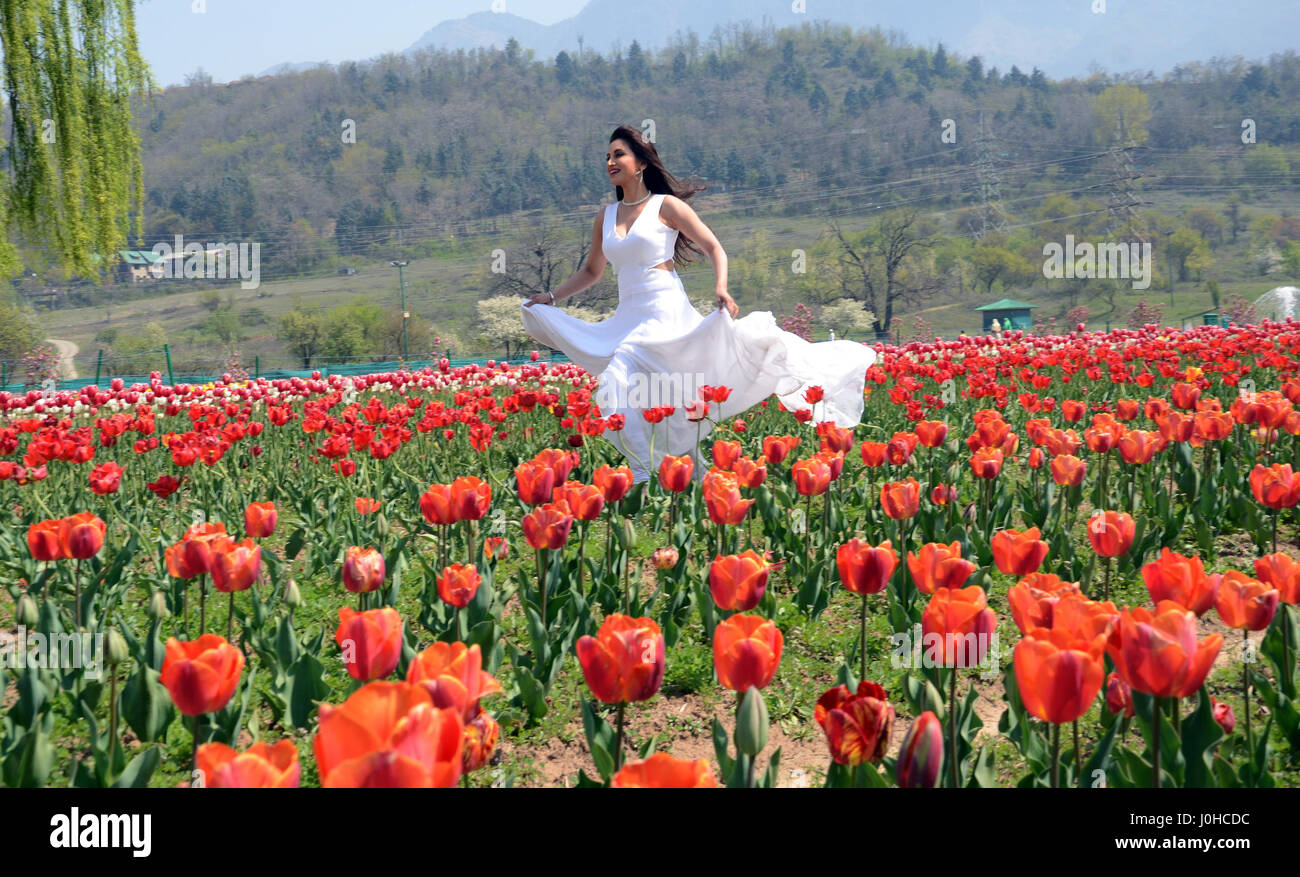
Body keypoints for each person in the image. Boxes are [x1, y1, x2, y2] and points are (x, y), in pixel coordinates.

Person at [521, 125, 877, 485]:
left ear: (641, 162)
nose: (611, 162)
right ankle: (687, 476)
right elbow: (592, 271)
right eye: (608, 157)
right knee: (659, 398)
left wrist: (721, 288)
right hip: (629, 316)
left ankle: (646, 473)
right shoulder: (606, 216)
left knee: (618, 379)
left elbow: (713, 247)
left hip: (664, 311)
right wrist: (550, 298)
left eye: (619, 155)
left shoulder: (666, 206)